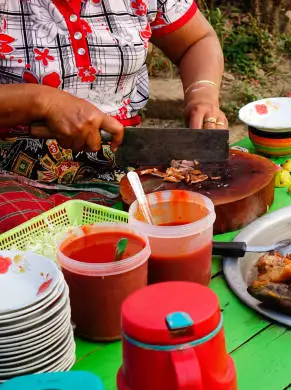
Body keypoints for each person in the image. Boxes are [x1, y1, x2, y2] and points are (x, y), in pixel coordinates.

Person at [0, 0, 227, 232]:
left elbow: (197, 41)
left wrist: (203, 95)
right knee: (31, 246)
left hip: (123, 164)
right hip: (11, 174)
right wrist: (41, 102)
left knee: (191, 218)